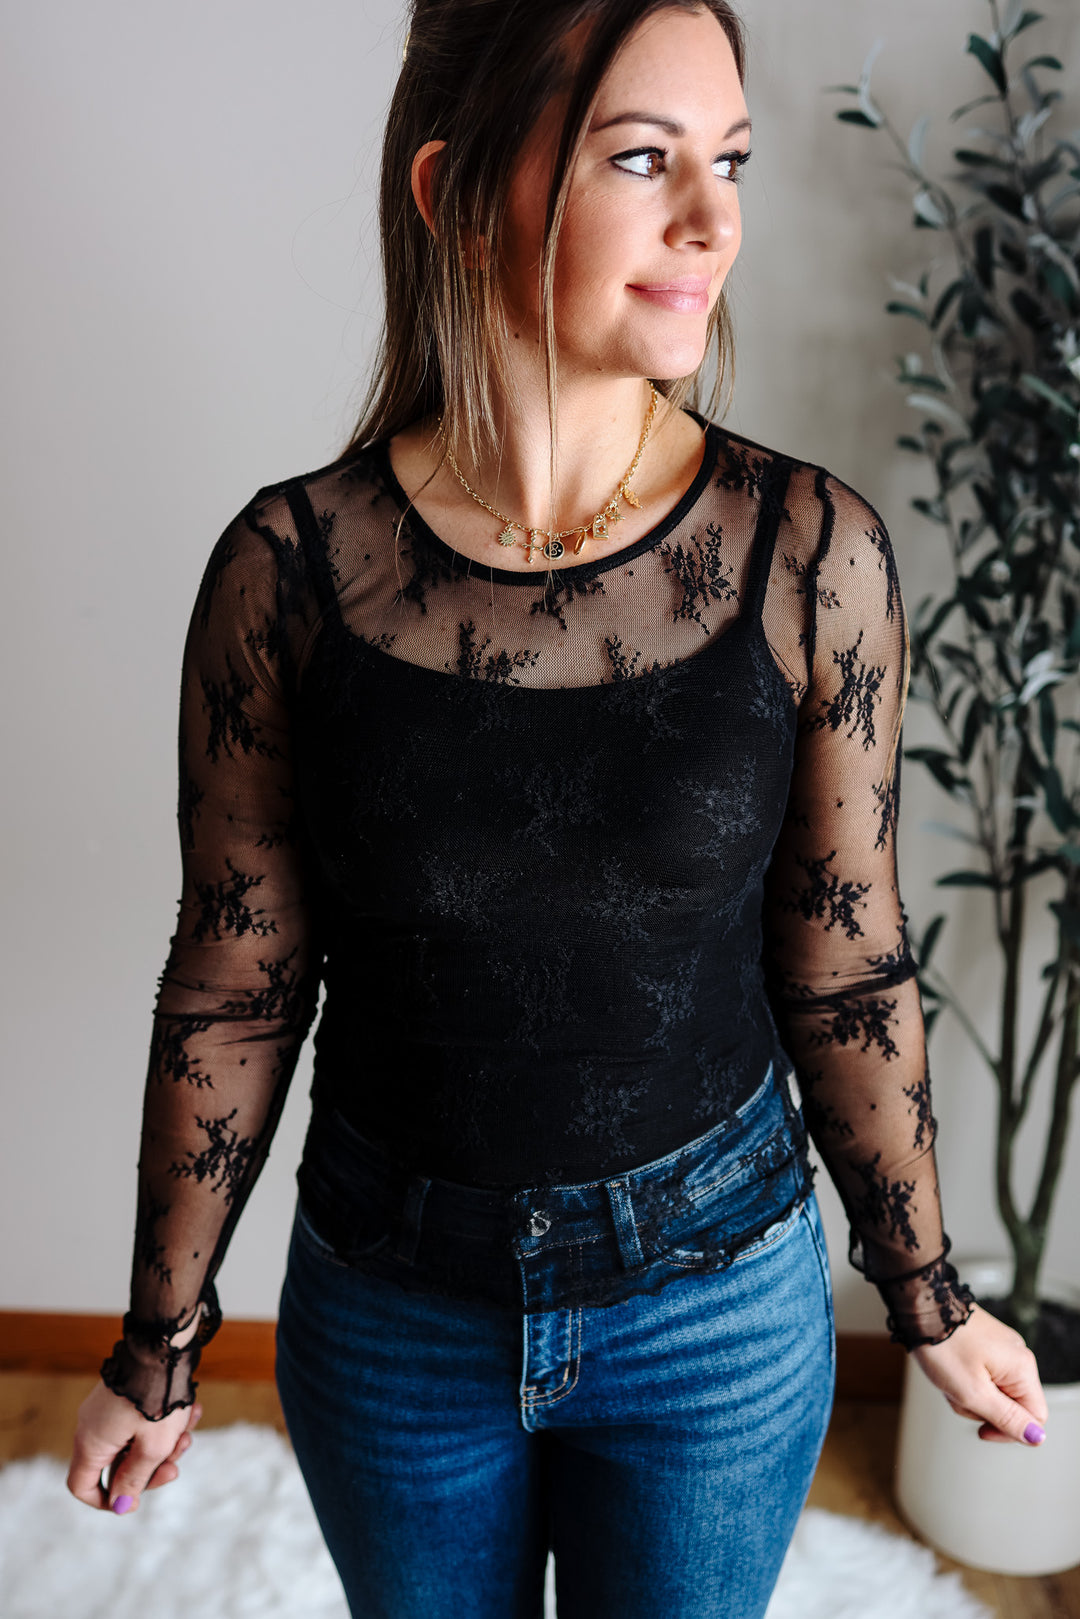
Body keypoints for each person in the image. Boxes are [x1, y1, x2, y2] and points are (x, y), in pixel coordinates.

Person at [68, 1, 1050, 1614]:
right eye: (644, 159)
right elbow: (238, 978)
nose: (716, 220)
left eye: (732, 160)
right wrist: (156, 1346)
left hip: (715, 1315)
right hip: (388, 1312)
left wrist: (926, 1293)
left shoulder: (812, 555)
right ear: (459, 192)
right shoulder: (287, 573)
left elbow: (846, 959)